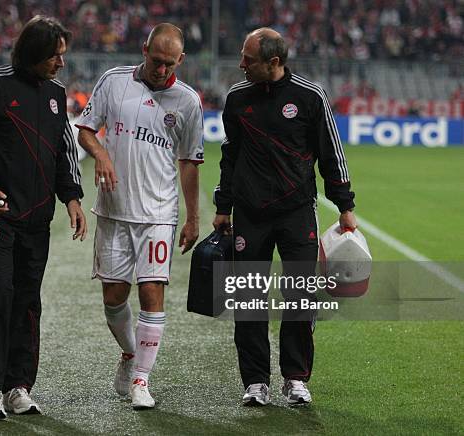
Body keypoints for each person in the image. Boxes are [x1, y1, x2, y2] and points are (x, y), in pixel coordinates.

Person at [0, 16, 87, 421]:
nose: (61, 63)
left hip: (37, 217)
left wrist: (73, 198)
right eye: (55, 56)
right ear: (33, 53)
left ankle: (18, 386)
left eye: (63, 55)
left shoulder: (57, 94)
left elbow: (65, 151)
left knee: (28, 300)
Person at [213, 28, 357, 406]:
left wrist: (345, 207)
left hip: (296, 211)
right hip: (250, 212)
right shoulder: (236, 97)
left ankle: (295, 378)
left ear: (274, 62)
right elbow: (230, 155)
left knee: (298, 297)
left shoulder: (310, 96)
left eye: (249, 59)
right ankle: (256, 381)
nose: (241, 64)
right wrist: (222, 206)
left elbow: (331, 153)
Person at [76, 23, 204, 410]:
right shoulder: (113, 81)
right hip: (114, 210)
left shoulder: (188, 102)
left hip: (158, 213)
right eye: (156, 60)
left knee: (152, 292)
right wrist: (101, 154)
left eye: (169, 63)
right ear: (144, 49)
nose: (161, 69)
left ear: (180, 60)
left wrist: (193, 218)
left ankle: (141, 381)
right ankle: (131, 354)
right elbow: (85, 130)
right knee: (113, 297)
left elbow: (189, 163)